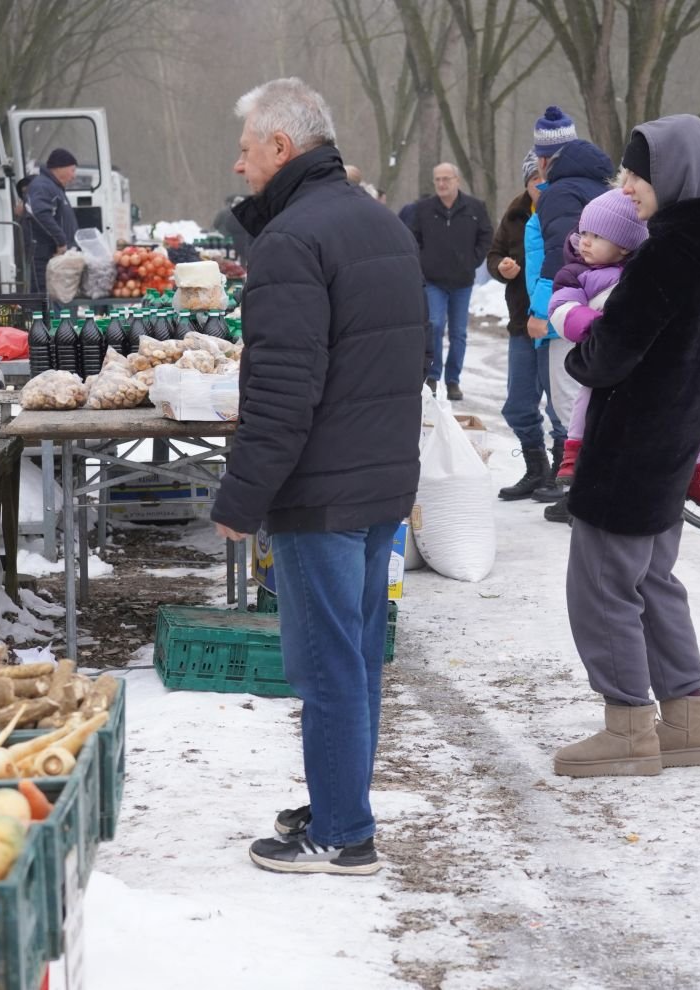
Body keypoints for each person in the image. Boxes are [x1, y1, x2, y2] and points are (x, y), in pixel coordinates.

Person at [211, 77, 425, 875]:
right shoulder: (379, 223)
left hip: (322, 489)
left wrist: (241, 497)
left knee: (329, 664)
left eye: (244, 151)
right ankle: (342, 805)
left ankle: (342, 834)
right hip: (375, 483)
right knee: (356, 657)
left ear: (280, 147)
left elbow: (281, 390)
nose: (238, 168)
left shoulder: (291, 242)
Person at [553, 114, 700, 778]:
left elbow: (609, 354)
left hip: (628, 447)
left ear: (671, 176)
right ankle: (684, 719)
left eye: (637, 174)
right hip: (674, 442)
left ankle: (627, 730)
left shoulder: (667, 252)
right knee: (654, 581)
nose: (627, 187)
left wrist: (580, 349)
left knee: (602, 588)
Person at [540, 188, 648, 523]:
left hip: (639, 369)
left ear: (624, 245)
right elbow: (561, 310)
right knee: (582, 405)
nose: (584, 241)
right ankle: (573, 454)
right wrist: (599, 329)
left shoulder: (640, 273)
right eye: (583, 232)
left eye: (596, 236)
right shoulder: (574, 272)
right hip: (599, 360)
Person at [523, 108, 614, 504]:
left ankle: (585, 495)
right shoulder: (601, 187)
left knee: (570, 403)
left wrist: (543, 312)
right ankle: (593, 490)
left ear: (545, 159)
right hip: (603, 305)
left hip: (571, 311)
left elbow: (562, 257)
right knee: (593, 399)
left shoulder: (559, 193)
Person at [491, 150, 565, 500]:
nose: (540, 185)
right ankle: (536, 469)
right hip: (521, 322)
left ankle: (561, 472)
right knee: (518, 404)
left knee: (560, 406)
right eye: (534, 180)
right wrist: (501, 268)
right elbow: (493, 255)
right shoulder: (515, 214)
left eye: (544, 178)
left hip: (555, 326)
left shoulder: (565, 212)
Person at [408, 162, 493, 400]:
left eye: (447, 179)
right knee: (434, 325)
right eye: (438, 180)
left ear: (457, 180)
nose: (442, 184)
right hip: (433, 280)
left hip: (462, 281)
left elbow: (486, 236)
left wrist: (472, 260)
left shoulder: (475, 208)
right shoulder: (423, 209)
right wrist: (423, 262)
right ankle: (433, 376)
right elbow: (412, 238)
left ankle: (453, 380)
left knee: (458, 333)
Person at [24, 148, 81, 295]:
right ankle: (40, 319)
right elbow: (40, 213)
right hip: (44, 255)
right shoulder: (43, 186)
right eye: (72, 170)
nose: (74, 176)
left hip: (55, 257)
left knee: (55, 299)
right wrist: (61, 241)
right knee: (43, 297)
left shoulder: (55, 187)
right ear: (60, 168)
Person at [212, 194, 253, 258]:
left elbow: (216, 224)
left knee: (229, 256)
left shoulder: (224, 212)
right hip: (242, 240)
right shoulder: (247, 213)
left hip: (225, 238)